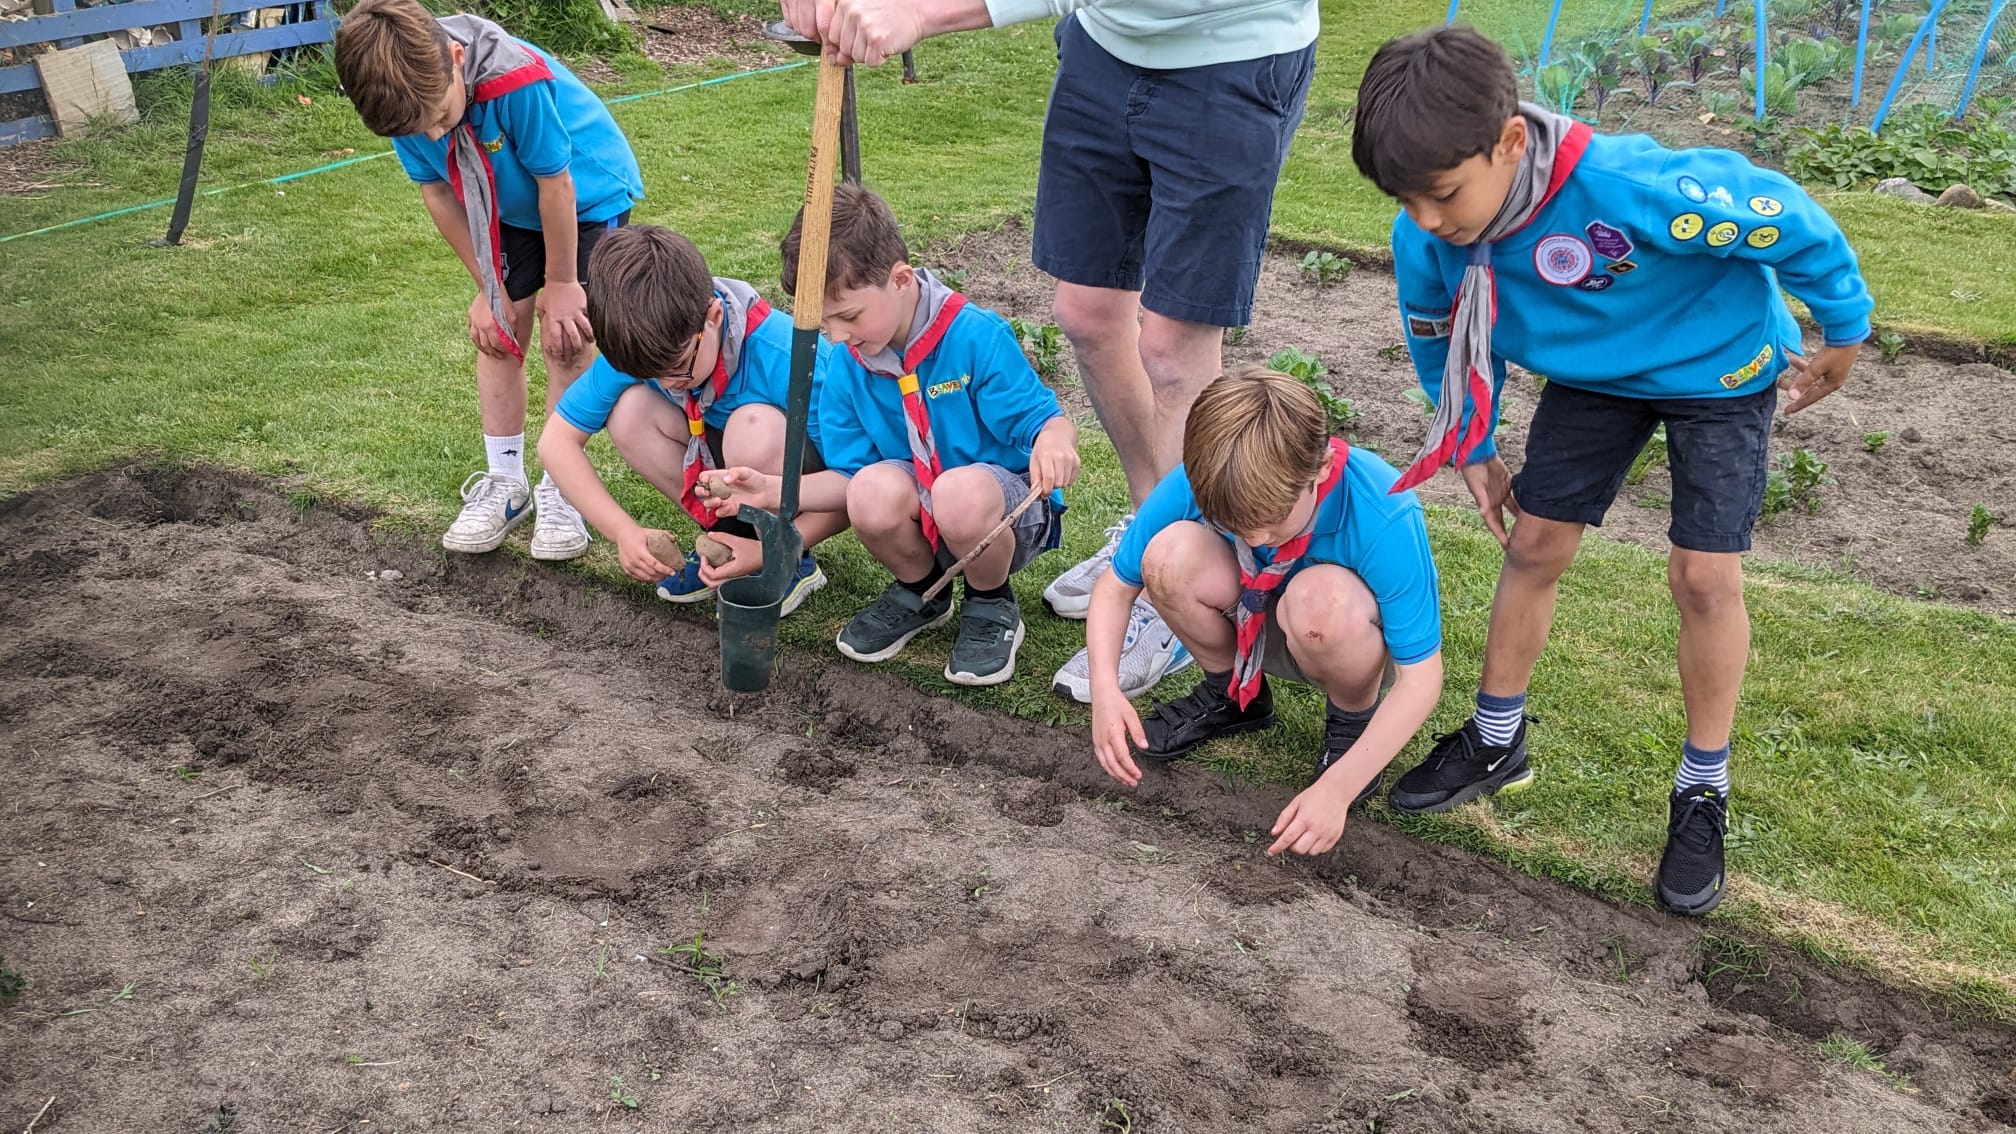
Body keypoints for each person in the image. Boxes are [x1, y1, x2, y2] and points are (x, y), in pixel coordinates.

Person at [1355, 26, 1873, 915]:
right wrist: (1471, 444)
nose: (1426, 221)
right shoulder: (1431, 238)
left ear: (1511, 143)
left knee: (1705, 578)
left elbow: (1787, 218)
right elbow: (1437, 335)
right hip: (1596, 383)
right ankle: (1495, 738)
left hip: (1719, 368)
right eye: (1405, 201)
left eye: (1440, 195)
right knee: (1533, 546)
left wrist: (1846, 327)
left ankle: (1701, 788)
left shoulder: (1638, 189)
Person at [777, 0, 1319, 706]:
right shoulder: (858, 357)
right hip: (1107, 44)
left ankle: (1179, 575)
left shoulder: (968, 339)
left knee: (1172, 346)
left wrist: (921, 12)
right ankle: (1149, 518)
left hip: (1229, 52)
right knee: (1088, 314)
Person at [704, 184, 1079, 687]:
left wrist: (1054, 441)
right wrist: (770, 490)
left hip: (1002, 515)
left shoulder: (975, 337)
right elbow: (848, 477)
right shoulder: (846, 362)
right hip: (922, 505)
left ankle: (991, 603)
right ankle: (923, 591)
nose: (835, 335)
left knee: (958, 493)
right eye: (825, 321)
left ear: (900, 279)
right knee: (869, 490)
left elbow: (1045, 422)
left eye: (849, 316)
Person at [1087, 367, 1445, 858]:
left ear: (1318, 471)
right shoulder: (1207, 473)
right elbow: (1115, 586)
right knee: (1167, 556)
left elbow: (1422, 679)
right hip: (1250, 614)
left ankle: (1350, 725)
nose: (1253, 540)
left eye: (1269, 521)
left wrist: (1338, 790)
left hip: (1335, 632)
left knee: (1321, 599)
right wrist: (1106, 690)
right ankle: (1232, 697)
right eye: (1233, 524)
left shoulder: (1384, 508)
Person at [334, 0, 643, 561]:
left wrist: (563, 282)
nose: (430, 132)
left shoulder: (512, 80)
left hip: (585, 196)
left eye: (439, 117)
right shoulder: (407, 99)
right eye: (416, 128)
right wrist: (491, 291)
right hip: (505, 202)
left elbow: (557, 185)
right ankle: (507, 484)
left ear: (456, 58)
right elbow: (439, 193)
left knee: (566, 333)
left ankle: (561, 487)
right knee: (500, 332)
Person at [535, 225, 839, 614]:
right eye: (652, 372)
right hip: (723, 456)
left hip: (796, 479)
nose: (667, 383)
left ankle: (788, 558)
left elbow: (851, 488)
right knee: (629, 413)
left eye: (678, 367)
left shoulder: (788, 355)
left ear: (712, 316)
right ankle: (727, 544)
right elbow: (555, 443)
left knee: (753, 429)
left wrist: (771, 548)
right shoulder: (644, 341)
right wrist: (623, 532)